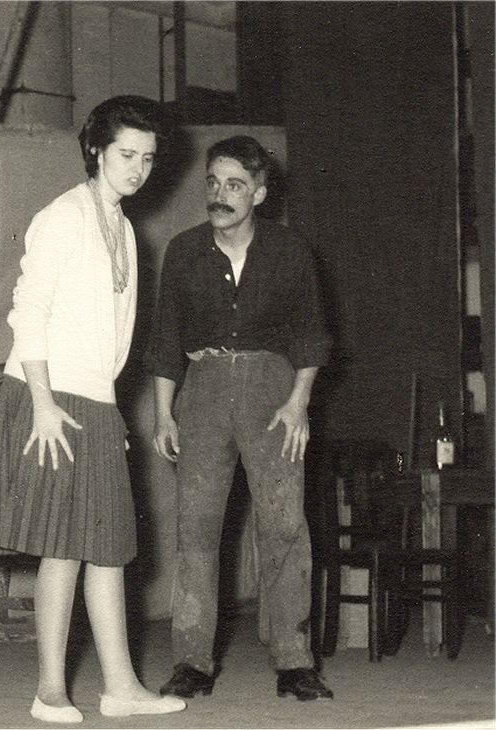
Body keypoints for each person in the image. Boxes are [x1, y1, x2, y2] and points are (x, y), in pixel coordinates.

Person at [0, 96, 186, 723]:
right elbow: (28, 313)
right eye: (127, 154)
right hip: (50, 396)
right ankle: (49, 691)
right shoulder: (63, 216)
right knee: (64, 547)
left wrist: (109, 412)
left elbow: (108, 338)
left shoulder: (122, 226)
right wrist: (41, 404)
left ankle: (121, 688)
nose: (138, 168)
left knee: (109, 546)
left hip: (94, 400)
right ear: (96, 150)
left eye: (148, 158)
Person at [146, 136, 334, 701]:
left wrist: (298, 402)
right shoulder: (184, 251)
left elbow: (311, 333)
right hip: (202, 391)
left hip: (272, 393)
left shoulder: (290, 250)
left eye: (234, 185)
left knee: (283, 525)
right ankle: (191, 661)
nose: (220, 195)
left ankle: (294, 661)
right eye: (213, 183)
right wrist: (163, 413)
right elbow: (166, 339)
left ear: (259, 192)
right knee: (196, 528)